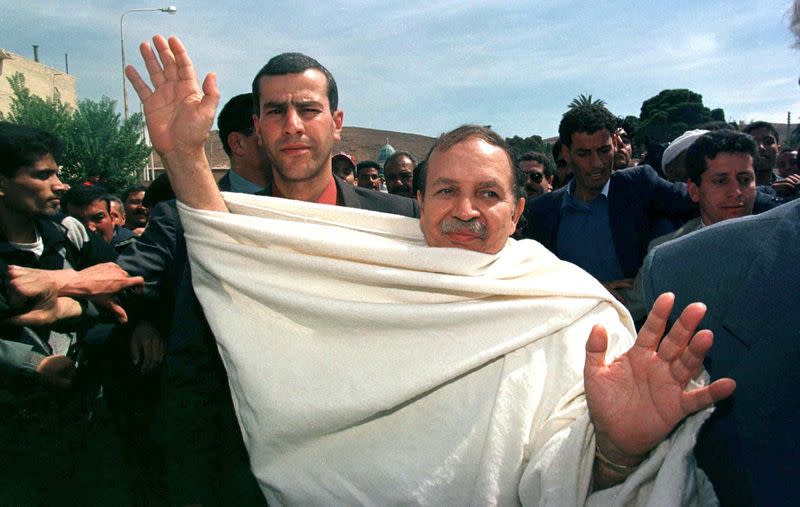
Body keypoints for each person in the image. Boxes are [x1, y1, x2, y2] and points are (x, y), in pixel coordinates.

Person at [127, 37, 732, 504]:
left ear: (520, 210)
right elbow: (231, 255)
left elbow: (570, 459)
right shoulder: (392, 246)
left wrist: (618, 456)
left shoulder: (567, 306)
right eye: (445, 190)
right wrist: (182, 156)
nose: (464, 211)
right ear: (418, 206)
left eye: (488, 194)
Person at [123, 37, 417, 505]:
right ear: (257, 127)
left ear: (337, 123)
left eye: (308, 109)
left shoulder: (400, 223)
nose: (292, 125)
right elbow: (193, 375)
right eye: (276, 112)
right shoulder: (223, 227)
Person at [0, 122, 139, 504]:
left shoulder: (67, 237)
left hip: (82, 422)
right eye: (43, 175)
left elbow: (119, 282)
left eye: (57, 173)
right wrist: (33, 365)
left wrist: (66, 302)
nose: (60, 184)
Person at [523, 103, 696, 302]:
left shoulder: (639, 185)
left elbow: (703, 201)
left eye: (604, 150)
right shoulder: (542, 211)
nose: (596, 163)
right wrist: (591, 290)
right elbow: (532, 283)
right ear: (565, 153)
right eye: (584, 153)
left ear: (615, 142)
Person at [626, 129, 759, 321]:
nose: (736, 191)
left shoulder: (785, 242)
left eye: (745, 180)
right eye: (721, 181)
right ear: (694, 190)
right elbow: (628, 310)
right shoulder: (665, 255)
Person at [743, 120, 779, 185]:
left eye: (768, 142)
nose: (761, 147)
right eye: (753, 143)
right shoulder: (731, 190)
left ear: (778, 149)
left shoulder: (791, 188)